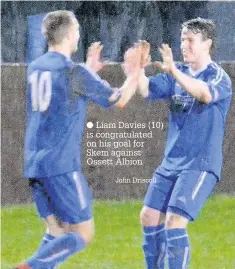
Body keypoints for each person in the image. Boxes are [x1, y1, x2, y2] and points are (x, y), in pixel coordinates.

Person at [14, 10, 141, 269]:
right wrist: (136, 72)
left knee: (57, 233)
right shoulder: (74, 72)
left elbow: (63, 92)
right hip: (60, 165)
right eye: (78, 31)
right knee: (83, 233)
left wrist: (89, 70)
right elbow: (119, 100)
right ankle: (31, 267)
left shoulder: (36, 67)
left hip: (34, 163)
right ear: (71, 34)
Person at [137, 18, 232, 269]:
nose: (184, 45)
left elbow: (205, 94)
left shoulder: (219, 77)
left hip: (200, 164)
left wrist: (174, 72)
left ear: (207, 44)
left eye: (190, 40)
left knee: (175, 221)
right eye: (182, 40)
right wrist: (137, 69)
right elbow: (146, 90)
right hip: (171, 162)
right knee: (148, 217)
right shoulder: (176, 72)